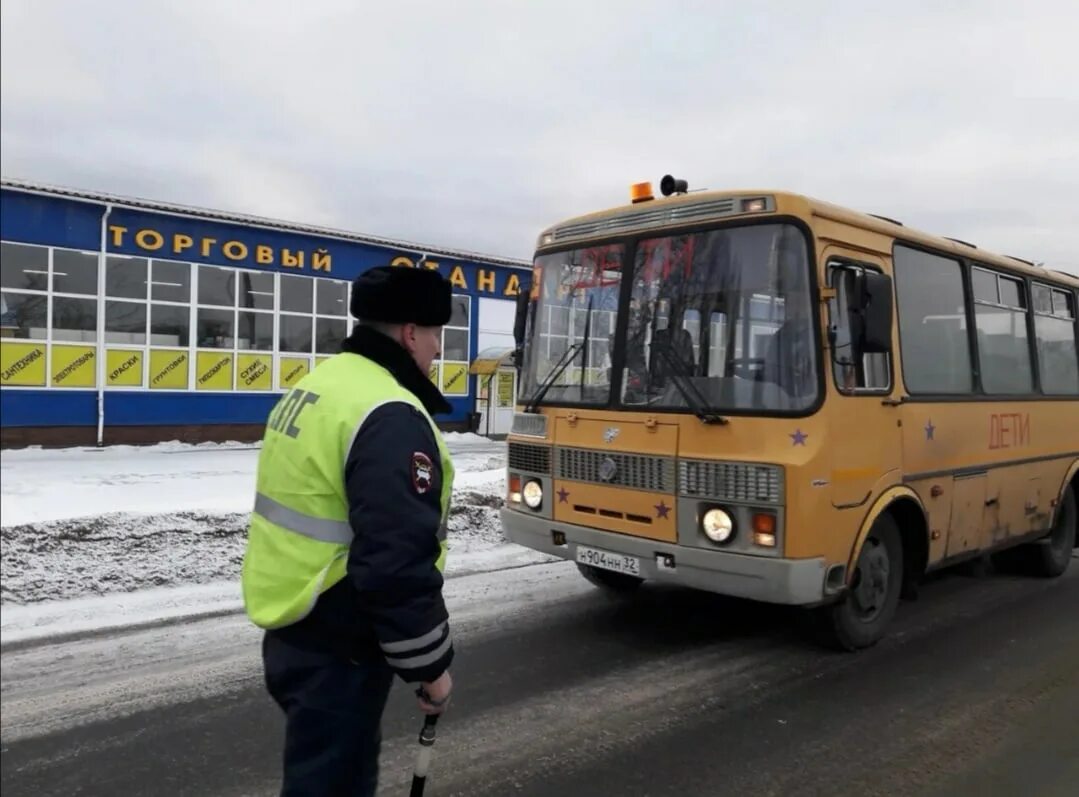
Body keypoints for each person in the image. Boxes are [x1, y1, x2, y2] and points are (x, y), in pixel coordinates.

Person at [241, 265, 457, 796]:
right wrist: (431, 666)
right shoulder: (389, 412)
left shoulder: (319, 385)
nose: (435, 351)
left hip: (292, 621)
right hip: (342, 639)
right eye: (434, 337)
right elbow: (395, 557)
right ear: (410, 333)